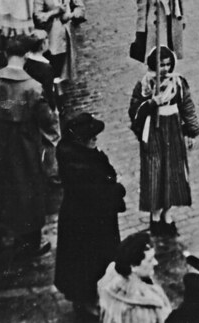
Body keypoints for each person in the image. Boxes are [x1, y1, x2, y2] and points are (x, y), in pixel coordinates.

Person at [0, 34, 59, 258]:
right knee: (28, 191)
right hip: (26, 148)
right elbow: (47, 122)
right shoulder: (33, 88)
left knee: (1, 189)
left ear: (5, 54)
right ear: (26, 57)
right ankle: (30, 241)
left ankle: (2, 236)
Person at [55, 113, 126, 321]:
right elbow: (97, 191)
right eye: (91, 136)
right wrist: (118, 188)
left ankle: (90, 297)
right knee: (87, 264)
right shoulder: (78, 165)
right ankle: (85, 302)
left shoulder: (84, 154)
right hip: (86, 223)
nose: (96, 139)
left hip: (93, 219)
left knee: (94, 262)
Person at [128, 47, 199, 235]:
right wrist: (152, 103)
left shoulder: (178, 82)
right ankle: (155, 216)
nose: (165, 69)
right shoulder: (144, 85)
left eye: (168, 64)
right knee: (154, 172)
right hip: (153, 131)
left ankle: (167, 214)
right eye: (161, 65)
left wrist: (191, 132)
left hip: (173, 130)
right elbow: (134, 111)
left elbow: (187, 107)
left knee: (173, 171)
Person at [97, 232, 171, 323]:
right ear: (133, 266)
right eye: (150, 260)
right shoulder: (147, 308)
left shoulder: (110, 279)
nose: (155, 262)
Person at [33, 0, 85, 81]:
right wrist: (55, 11)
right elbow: (38, 16)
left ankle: (61, 79)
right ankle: (52, 81)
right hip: (51, 31)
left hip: (65, 29)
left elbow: (80, 6)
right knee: (54, 55)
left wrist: (72, 14)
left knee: (65, 55)